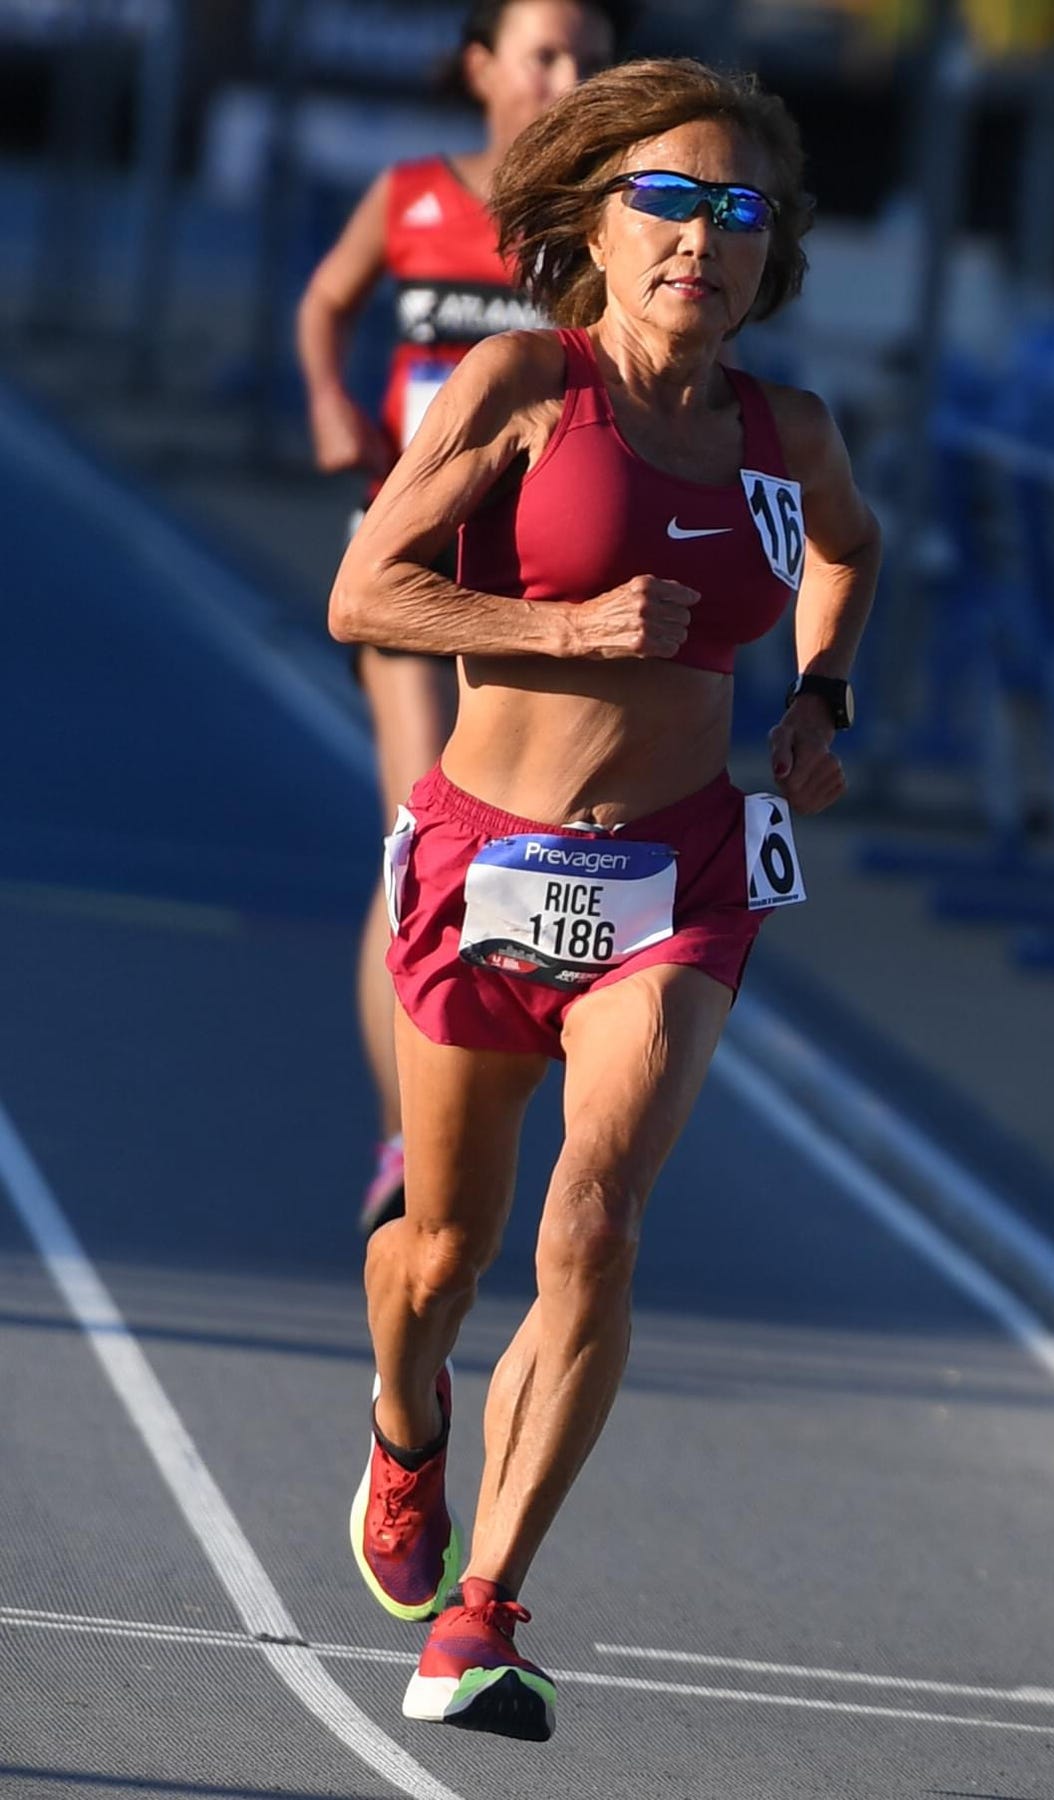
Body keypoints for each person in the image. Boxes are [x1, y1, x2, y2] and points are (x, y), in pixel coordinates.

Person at [329, 55, 881, 1743]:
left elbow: (853, 550)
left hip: (681, 874)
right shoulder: (519, 380)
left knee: (600, 1219)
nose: (700, 238)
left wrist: (819, 697)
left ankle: (483, 1615)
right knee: (447, 1246)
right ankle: (408, 1423)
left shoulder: (787, 433)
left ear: (767, 253)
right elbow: (368, 587)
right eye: (666, 198)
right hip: (489, 859)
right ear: (593, 217)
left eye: (737, 212)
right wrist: (565, 630)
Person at [296, 0, 628, 1235]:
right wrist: (334, 409)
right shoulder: (412, 198)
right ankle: (404, 1144)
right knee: (418, 827)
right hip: (408, 562)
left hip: (534, 580)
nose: (568, 76)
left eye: (591, 59)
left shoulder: (600, 225)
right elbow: (323, 304)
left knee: (516, 844)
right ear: (483, 66)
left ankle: (480, 1103)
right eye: (545, 54)